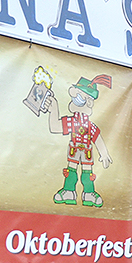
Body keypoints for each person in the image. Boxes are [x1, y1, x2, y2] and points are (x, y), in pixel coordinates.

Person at [45, 74, 113, 207]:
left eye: (79, 97)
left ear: (88, 101)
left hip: (87, 151)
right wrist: (54, 109)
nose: (75, 100)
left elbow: (97, 137)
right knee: (71, 170)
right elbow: (55, 127)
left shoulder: (89, 125)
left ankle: (89, 193)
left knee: (87, 172)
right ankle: (69, 191)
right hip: (74, 149)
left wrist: (104, 154)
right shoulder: (72, 121)